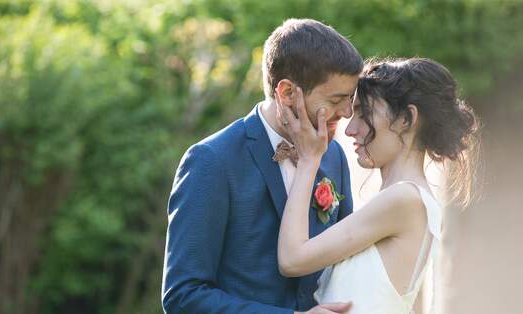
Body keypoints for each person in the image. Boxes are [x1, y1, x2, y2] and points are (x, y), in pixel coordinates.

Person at [162, 19, 363, 313]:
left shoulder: (333, 156)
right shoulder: (211, 161)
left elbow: (344, 262)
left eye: (350, 99)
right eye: (336, 100)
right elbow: (182, 295)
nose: (346, 113)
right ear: (286, 92)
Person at [277, 58, 479, 313]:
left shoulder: (404, 199)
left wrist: (308, 161)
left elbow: (292, 259)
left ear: (406, 118)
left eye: (364, 112)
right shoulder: (410, 200)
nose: (350, 129)